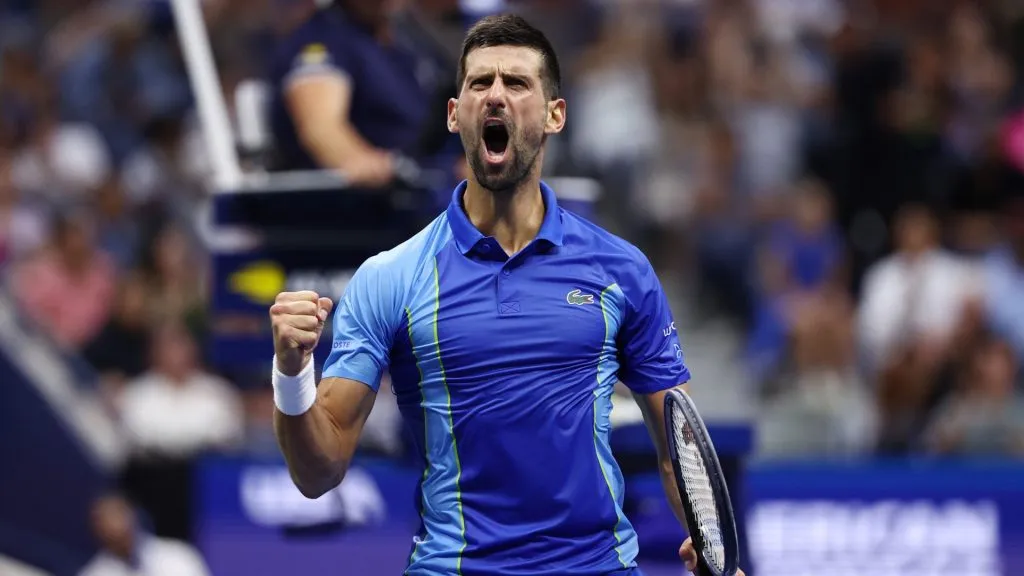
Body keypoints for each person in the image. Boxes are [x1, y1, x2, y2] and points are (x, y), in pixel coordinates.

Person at [268, 14, 745, 576]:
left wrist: (711, 547)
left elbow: (679, 451)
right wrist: (293, 373)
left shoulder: (622, 270)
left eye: (516, 83)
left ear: (554, 115)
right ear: (454, 115)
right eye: (479, 83)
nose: (495, 95)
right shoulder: (389, 278)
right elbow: (317, 472)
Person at [267, 0, 431, 186]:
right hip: (369, 201)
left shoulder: (407, 40)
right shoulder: (321, 40)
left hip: (428, 183)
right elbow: (322, 129)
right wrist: (360, 162)